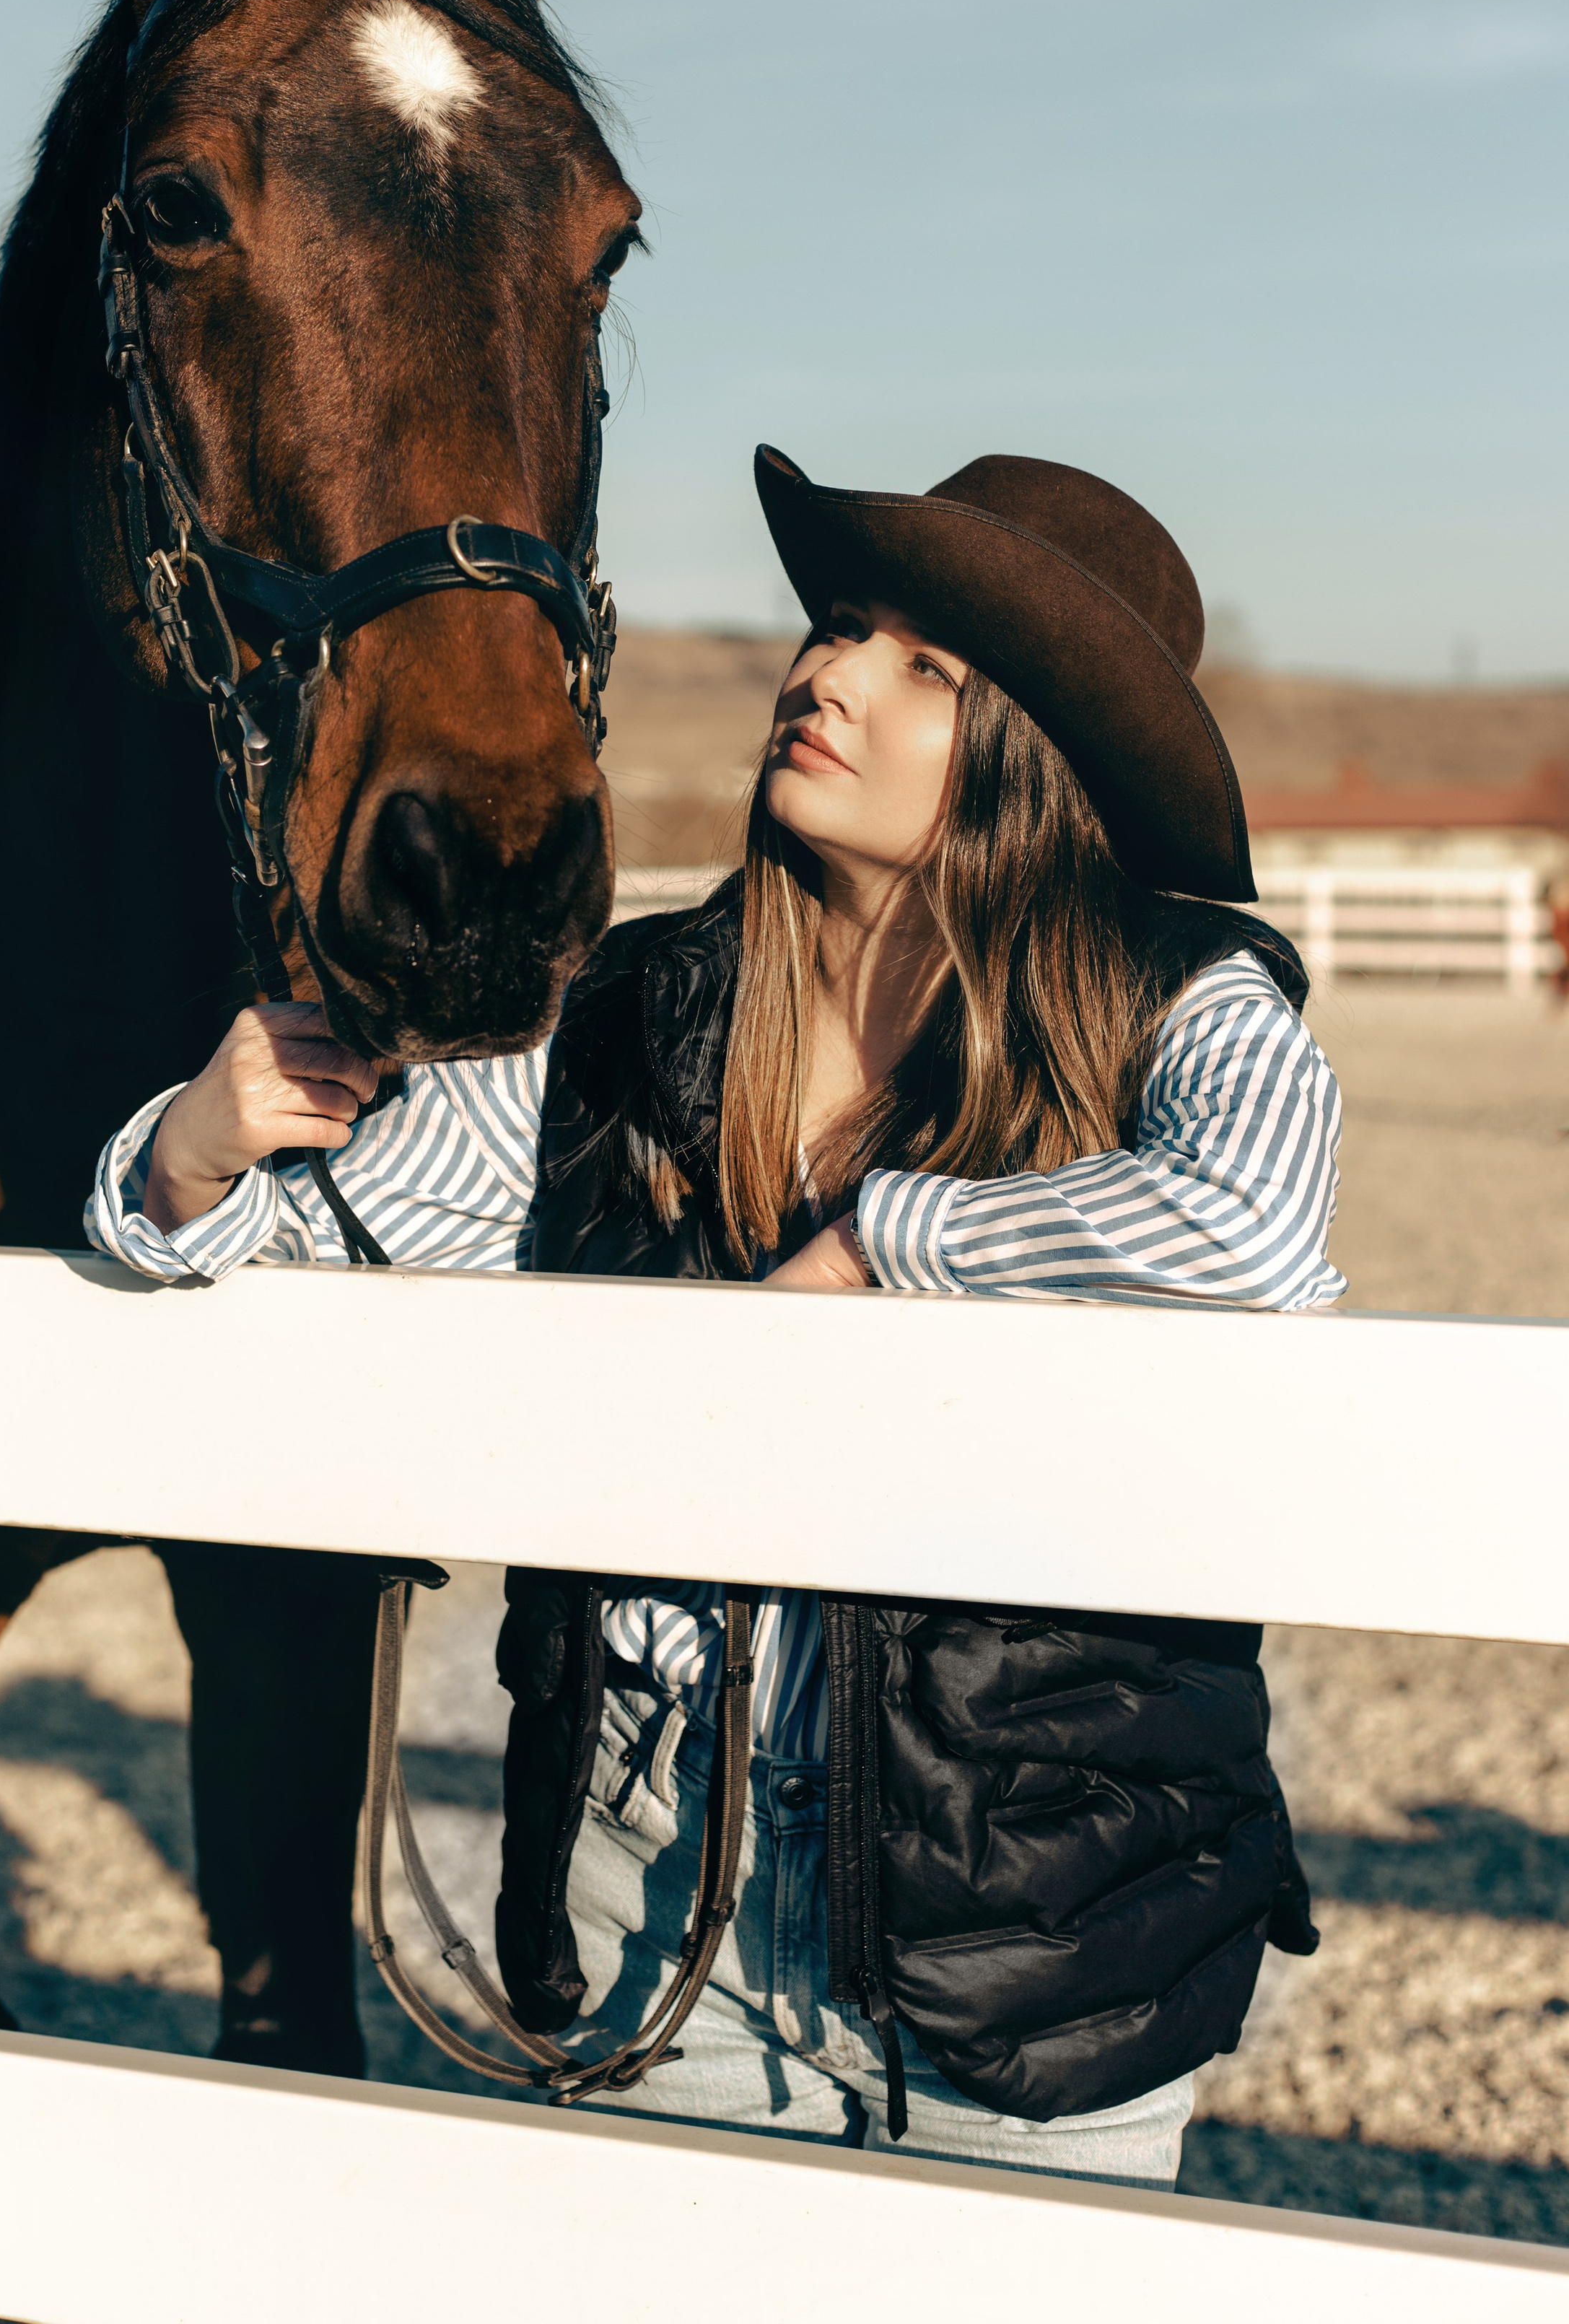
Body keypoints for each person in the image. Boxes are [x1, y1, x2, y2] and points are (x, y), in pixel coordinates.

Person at [89, 445, 1342, 2188]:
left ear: (1033, 756)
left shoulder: (1180, 1006)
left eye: (925, 667)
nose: (824, 673)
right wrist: (189, 1159)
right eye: (837, 628)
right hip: (649, 1854)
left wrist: (881, 1240)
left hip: (1037, 1895)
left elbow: (1254, 1226)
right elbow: (347, 1229)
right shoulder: (620, 1014)